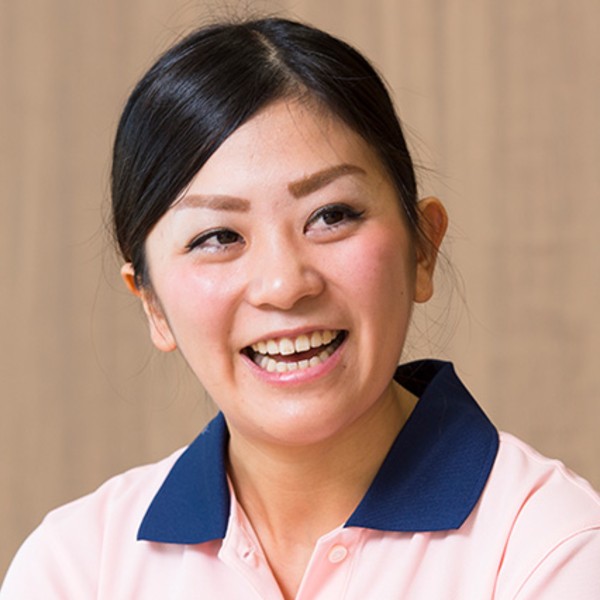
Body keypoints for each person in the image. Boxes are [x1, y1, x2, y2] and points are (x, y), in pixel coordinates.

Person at [2, 16, 599, 600]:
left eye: (331, 215)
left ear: (422, 248)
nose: (284, 285)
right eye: (218, 237)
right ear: (153, 304)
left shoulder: (550, 549)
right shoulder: (76, 568)